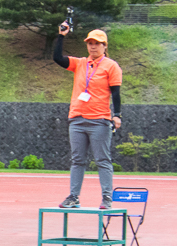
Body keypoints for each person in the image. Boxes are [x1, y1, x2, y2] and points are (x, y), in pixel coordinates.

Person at [54, 23, 122, 209]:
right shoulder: (80, 63)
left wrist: (116, 115)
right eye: (90, 43)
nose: (93, 46)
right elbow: (57, 58)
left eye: (97, 43)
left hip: (99, 120)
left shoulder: (111, 66)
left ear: (104, 46)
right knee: (77, 160)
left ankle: (107, 199)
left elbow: (115, 93)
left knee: (102, 160)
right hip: (77, 119)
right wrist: (61, 36)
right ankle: (73, 197)